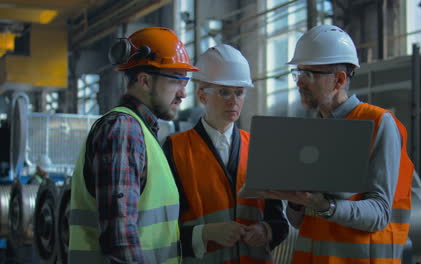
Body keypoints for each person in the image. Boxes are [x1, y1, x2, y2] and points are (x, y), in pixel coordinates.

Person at [262, 24, 414, 263]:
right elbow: (298, 221)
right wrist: (295, 199)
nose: (299, 83)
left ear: (339, 79)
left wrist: (324, 205)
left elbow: (380, 213)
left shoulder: (377, 123)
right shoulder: (308, 131)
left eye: (308, 75)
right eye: (298, 74)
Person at [68, 27, 199, 264]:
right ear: (145, 81)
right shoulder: (123, 130)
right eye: (177, 79)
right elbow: (120, 238)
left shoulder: (140, 131)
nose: (183, 94)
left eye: (185, 81)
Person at [163, 44, 289, 263]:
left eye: (239, 93)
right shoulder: (174, 150)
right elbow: (161, 231)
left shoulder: (260, 148)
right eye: (224, 92)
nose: (234, 101)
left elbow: (279, 222)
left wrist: (265, 229)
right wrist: (205, 234)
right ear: (202, 95)